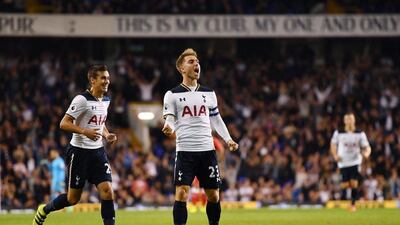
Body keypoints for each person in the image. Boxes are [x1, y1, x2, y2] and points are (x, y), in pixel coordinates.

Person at [33, 65, 117, 225]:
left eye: (108, 77)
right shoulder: (81, 100)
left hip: (98, 152)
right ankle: (44, 210)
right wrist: (85, 132)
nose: (107, 81)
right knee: (73, 199)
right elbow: (63, 123)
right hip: (79, 153)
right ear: (93, 80)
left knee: (107, 191)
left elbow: (100, 122)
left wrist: (107, 135)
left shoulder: (106, 100)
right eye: (103, 78)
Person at [162, 48, 239, 225]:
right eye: (191, 62)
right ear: (181, 68)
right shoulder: (172, 94)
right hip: (185, 151)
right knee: (182, 193)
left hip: (207, 151)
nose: (196, 64)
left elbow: (216, 119)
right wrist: (168, 127)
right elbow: (170, 119)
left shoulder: (209, 93)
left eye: (197, 62)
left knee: (213, 195)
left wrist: (228, 139)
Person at [330, 112, 371, 212]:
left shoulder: (360, 133)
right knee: (345, 185)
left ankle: (353, 205)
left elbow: (367, 147)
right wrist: (335, 155)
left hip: (355, 161)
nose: (349, 121)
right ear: (344, 121)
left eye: (351, 119)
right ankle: (352, 196)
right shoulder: (338, 132)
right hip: (343, 162)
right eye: (347, 119)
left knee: (354, 183)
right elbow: (333, 145)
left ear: (354, 121)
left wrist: (366, 154)